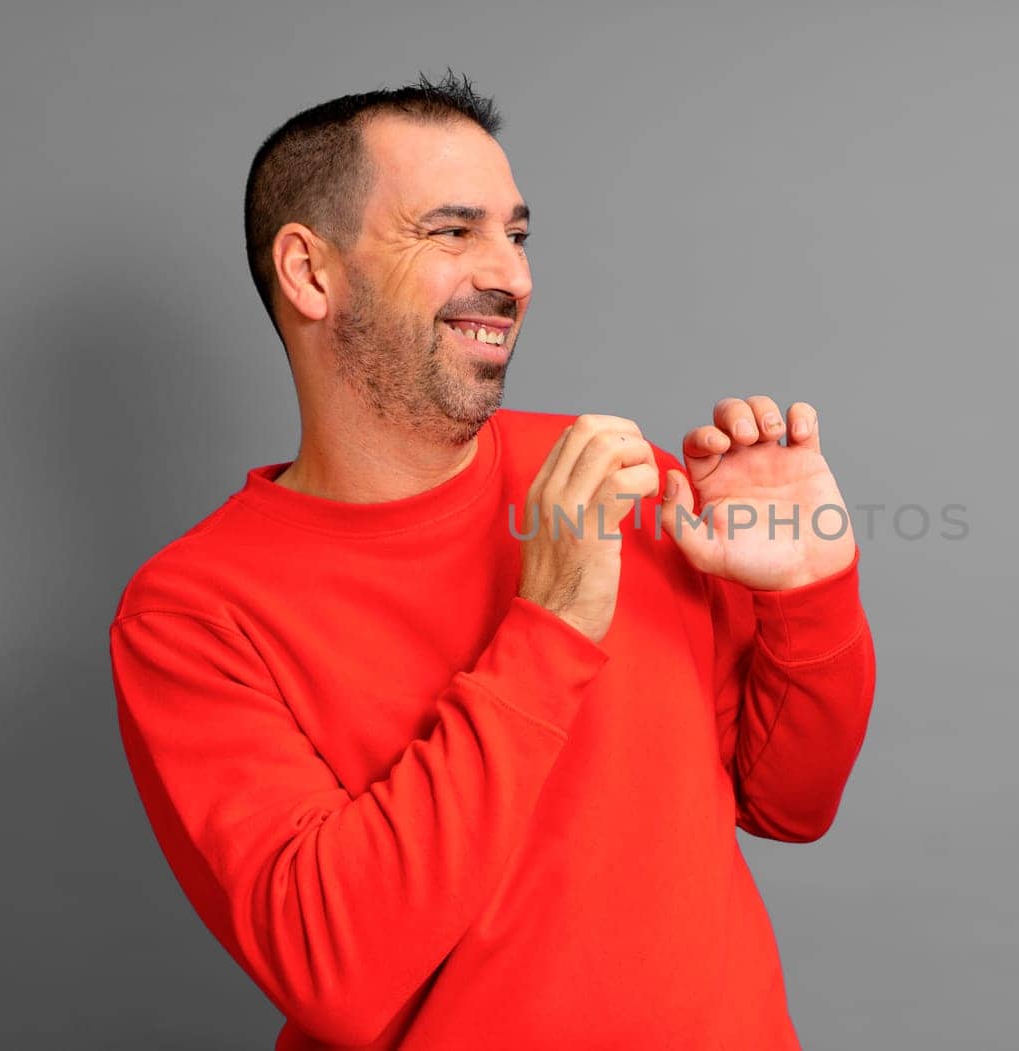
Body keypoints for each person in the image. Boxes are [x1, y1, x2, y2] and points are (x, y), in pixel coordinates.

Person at [108, 72, 875, 1051]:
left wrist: (809, 596)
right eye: (451, 231)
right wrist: (547, 629)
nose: (510, 275)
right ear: (309, 272)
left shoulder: (608, 471)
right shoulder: (193, 610)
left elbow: (788, 802)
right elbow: (335, 971)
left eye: (515, 233)